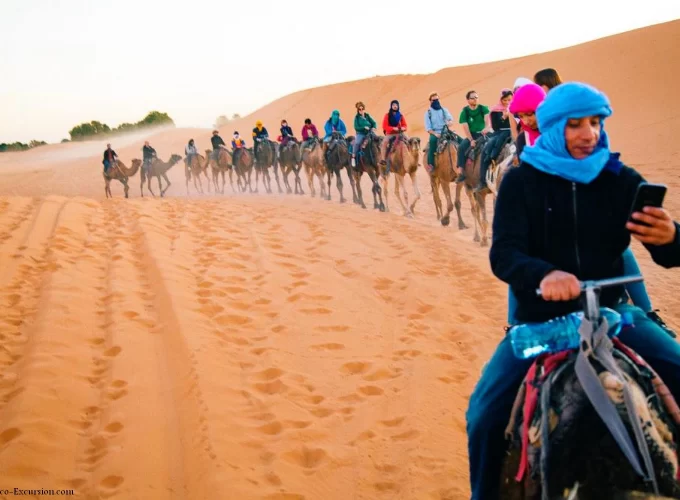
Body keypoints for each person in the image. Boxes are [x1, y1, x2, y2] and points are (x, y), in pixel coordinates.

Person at [466, 81, 680, 500]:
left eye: (596, 123)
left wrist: (670, 236)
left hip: (615, 317)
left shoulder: (619, 180)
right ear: (551, 127)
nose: (589, 134)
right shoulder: (520, 182)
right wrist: (543, 275)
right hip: (539, 323)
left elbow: (668, 254)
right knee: (484, 417)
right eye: (575, 124)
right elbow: (504, 254)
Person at [506, 82, 674, 335]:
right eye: (523, 114)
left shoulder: (605, 164)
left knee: (623, 252)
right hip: (545, 231)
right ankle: (514, 325)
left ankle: (647, 311)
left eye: (594, 123)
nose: (529, 119)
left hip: (601, 272)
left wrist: (671, 236)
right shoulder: (524, 141)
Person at [475, 89, 517, 192]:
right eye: (505, 100)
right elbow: (496, 126)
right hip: (499, 133)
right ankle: (482, 181)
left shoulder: (515, 109)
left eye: (509, 100)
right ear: (501, 99)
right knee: (486, 148)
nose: (507, 102)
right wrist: (504, 117)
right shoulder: (495, 111)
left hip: (513, 132)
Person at [457, 90, 491, 182]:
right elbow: (465, 127)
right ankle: (460, 171)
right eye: (472, 98)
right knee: (461, 147)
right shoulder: (465, 112)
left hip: (484, 133)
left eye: (476, 97)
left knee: (495, 142)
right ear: (468, 100)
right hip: (472, 135)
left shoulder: (483, 108)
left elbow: (487, 121)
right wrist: (471, 140)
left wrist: (486, 128)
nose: (475, 99)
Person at [423, 91, 455, 174]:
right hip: (435, 133)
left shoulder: (444, 110)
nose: (436, 101)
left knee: (460, 141)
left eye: (437, 99)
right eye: (434, 100)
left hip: (446, 131)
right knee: (432, 142)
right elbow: (428, 128)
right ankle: (431, 165)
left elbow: (451, 120)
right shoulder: (428, 113)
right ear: (430, 101)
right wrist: (435, 134)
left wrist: (449, 123)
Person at [380, 99, 408, 170]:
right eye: (393, 105)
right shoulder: (387, 115)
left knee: (409, 140)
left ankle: (412, 159)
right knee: (384, 143)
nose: (395, 106)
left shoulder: (400, 115)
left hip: (400, 133)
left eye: (396, 105)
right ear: (391, 106)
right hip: (390, 134)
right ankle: (383, 159)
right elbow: (384, 126)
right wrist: (393, 128)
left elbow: (405, 125)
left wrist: (403, 128)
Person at [350, 102, 377, 167]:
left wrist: (374, 127)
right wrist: (364, 127)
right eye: (360, 109)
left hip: (370, 132)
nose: (361, 110)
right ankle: (353, 157)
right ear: (358, 110)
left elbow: (374, 122)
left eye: (362, 109)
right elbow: (356, 127)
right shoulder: (356, 118)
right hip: (361, 133)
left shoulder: (367, 116)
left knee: (377, 140)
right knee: (357, 143)